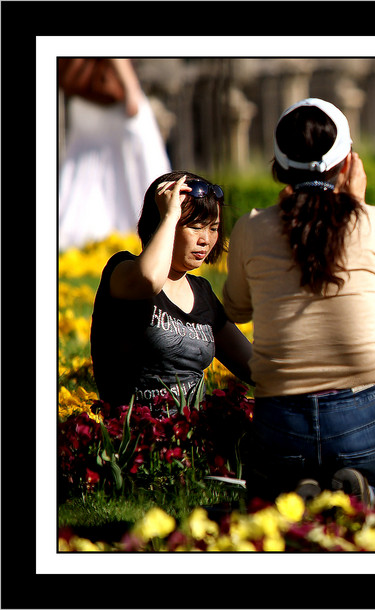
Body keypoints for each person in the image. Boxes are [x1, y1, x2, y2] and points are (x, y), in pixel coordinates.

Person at [223, 98, 375, 505]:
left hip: (280, 415)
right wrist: (359, 206)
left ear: (277, 166)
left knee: (273, 503)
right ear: (347, 163)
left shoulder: (251, 227)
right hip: (363, 413)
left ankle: (296, 489)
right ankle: (363, 489)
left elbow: (236, 308)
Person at [90, 171, 253, 414]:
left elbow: (255, 367)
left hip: (191, 439)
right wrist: (169, 215)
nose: (206, 240)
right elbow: (150, 280)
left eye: (213, 228)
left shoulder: (202, 293)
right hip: (136, 440)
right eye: (195, 226)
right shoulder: (123, 271)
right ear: (162, 224)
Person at [58, 58, 171, 251]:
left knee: (86, 168)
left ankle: (91, 230)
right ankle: (151, 225)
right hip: (111, 95)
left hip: (84, 97)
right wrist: (130, 87)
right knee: (141, 157)